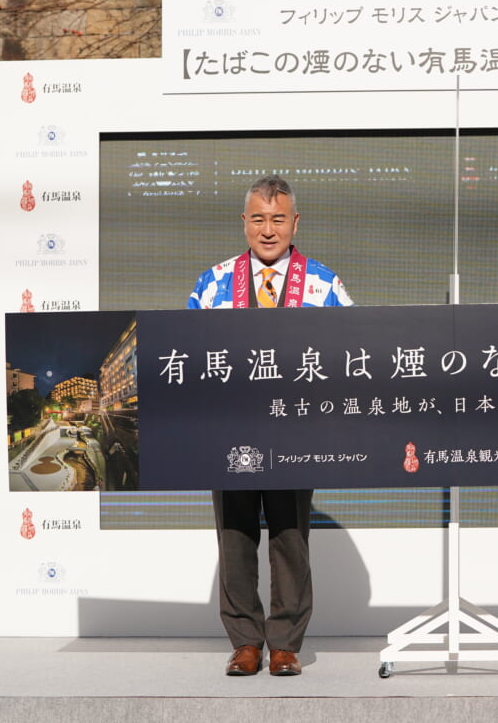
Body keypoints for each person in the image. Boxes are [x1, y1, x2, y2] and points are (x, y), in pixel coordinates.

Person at [188, 174, 353, 677]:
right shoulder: (213, 283)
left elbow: (353, 357)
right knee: (234, 535)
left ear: (294, 223)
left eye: (278, 219)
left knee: (290, 536)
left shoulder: (324, 284)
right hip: (230, 433)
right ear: (244, 222)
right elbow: (187, 356)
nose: (267, 230)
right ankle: (245, 641)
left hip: (296, 433)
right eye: (258, 219)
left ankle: (284, 643)